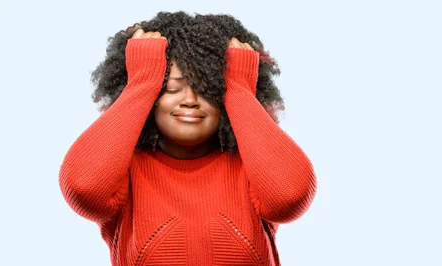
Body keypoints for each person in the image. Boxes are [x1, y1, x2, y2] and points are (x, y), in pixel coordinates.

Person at [58, 11, 317, 266]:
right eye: (171, 88)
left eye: (207, 89)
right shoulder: (124, 173)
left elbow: (290, 198)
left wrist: (239, 89)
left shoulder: (253, 167)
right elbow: (82, 189)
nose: (190, 101)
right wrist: (141, 82)